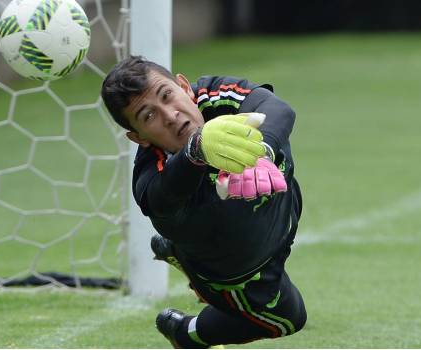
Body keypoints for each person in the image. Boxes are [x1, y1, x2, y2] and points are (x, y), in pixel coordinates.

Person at [101, 55, 306, 348]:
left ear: (184, 87)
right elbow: (162, 196)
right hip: (236, 270)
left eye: (167, 95)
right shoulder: (150, 177)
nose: (170, 115)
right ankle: (185, 332)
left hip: (281, 216)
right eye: (149, 116)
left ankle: (171, 250)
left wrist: (262, 151)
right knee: (288, 318)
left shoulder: (213, 96)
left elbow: (278, 108)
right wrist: (196, 150)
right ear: (139, 138)